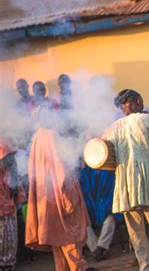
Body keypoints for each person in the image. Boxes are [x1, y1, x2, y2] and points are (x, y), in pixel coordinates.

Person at [103, 89, 149, 271]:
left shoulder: (112, 127)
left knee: (136, 234)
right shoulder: (145, 119)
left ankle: (145, 267)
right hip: (148, 185)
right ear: (137, 102)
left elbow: (103, 153)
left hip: (126, 187)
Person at [26, 109, 91, 271]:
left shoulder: (37, 137)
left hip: (46, 197)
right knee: (71, 238)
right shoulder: (51, 136)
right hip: (60, 195)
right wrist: (69, 198)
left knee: (58, 241)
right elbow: (62, 172)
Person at [80, 165, 120, 262]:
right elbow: (84, 196)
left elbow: (112, 195)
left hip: (107, 209)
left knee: (111, 219)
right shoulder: (85, 173)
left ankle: (101, 248)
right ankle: (95, 250)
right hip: (91, 210)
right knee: (81, 222)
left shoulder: (109, 171)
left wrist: (104, 208)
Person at [0, 139, 25, 271]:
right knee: (6, 237)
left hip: (5, 201)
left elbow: (12, 175)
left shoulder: (4, 145)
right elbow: (12, 176)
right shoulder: (4, 145)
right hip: (5, 202)